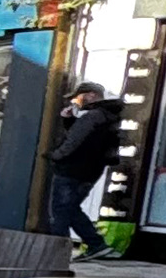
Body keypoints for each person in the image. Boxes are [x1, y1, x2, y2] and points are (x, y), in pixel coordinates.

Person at [44, 81, 124, 240]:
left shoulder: (93, 116)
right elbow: (88, 139)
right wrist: (69, 120)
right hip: (90, 172)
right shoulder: (108, 116)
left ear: (91, 95)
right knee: (70, 208)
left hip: (72, 169)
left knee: (61, 210)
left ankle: (59, 246)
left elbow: (74, 141)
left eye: (79, 97)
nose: (76, 101)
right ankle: (96, 244)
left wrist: (56, 155)